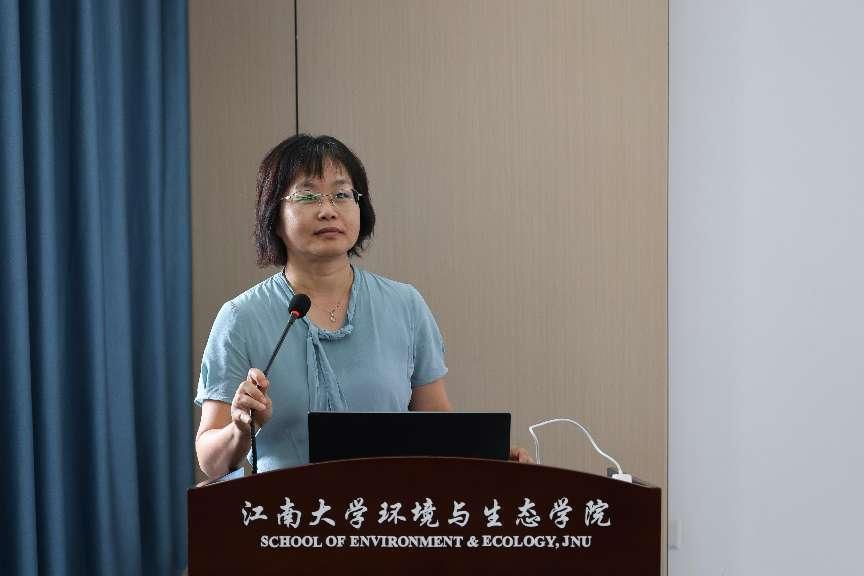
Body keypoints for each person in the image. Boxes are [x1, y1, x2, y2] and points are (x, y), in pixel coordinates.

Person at [194, 134, 529, 477]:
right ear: (274, 216)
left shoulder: (405, 306)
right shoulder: (241, 318)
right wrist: (239, 430)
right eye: (308, 195)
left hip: (388, 506)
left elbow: (438, 431)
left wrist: (492, 458)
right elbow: (210, 460)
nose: (328, 210)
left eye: (342, 194)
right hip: (287, 510)